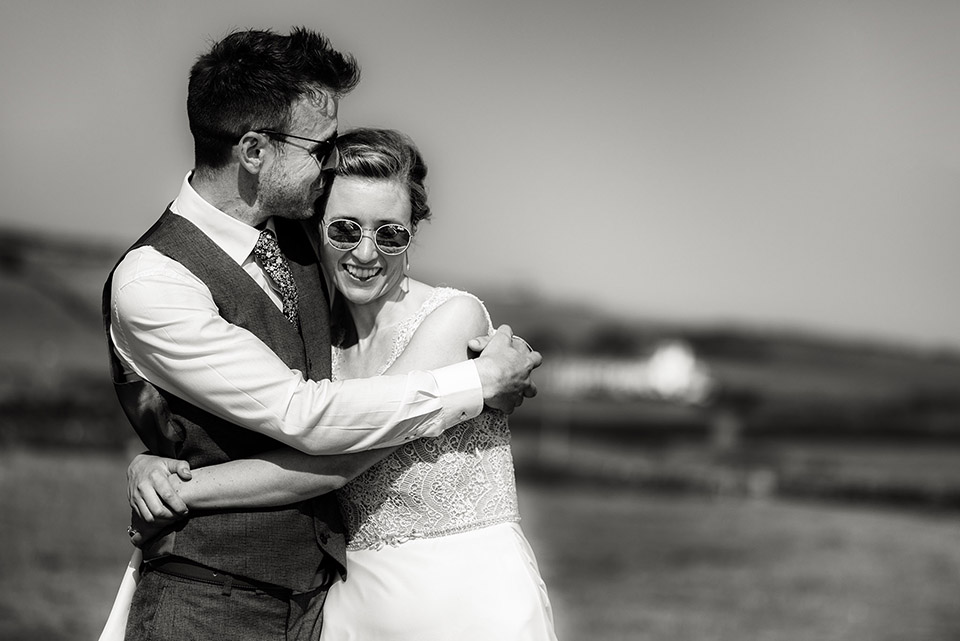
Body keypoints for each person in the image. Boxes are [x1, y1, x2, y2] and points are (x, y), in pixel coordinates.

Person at [101, 28, 540, 641]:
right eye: (321, 146)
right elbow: (300, 413)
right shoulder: (155, 281)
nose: (331, 162)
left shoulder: (299, 234)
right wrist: (475, 381)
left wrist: (170, 471)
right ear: (254, 151)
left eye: (391, 233)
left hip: (322, 604)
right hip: (207, 598)